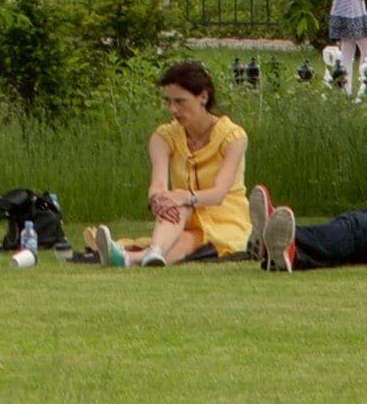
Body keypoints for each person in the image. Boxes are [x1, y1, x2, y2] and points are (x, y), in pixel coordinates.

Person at [78, 61, 249, 268]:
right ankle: (152, 253)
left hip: (225, 217)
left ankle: (134, 257)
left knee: (185, 235)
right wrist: (158, 199)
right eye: (168, 101)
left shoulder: (233, 136)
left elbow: (219, 194)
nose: (172, 109)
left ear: (203, 97)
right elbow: (158, 184)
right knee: (175, 205)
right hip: (181, 214)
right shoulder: (164, 136)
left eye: (180, 101)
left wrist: (182, 197)